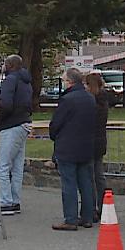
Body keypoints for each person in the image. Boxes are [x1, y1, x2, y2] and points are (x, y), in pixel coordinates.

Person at [48, 68, 97, 231]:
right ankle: (87, 217)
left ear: (69, 81)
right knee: (86, 183)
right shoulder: (90, 98)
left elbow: (56, 123)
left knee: (69, 183)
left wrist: (53, 135)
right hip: (86, 145)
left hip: (68, 146)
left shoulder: (67, 100)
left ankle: (70, 218)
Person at [0, 54, 33, 215]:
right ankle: (14, 200)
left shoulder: (10, 80)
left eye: (4, 64)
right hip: (24, 122)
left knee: (2, 166)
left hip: (11, 124)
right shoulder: (26, 81)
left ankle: (6, 202)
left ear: (9, 65)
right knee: (17, 166)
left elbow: (6, 104)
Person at [85, 72, 111, 221]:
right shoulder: (103, 100)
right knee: (98, 175)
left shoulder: (94, 102)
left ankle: (95, 207)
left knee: (92, 177)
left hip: (91, 141)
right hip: (100, 141)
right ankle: (102, 205)